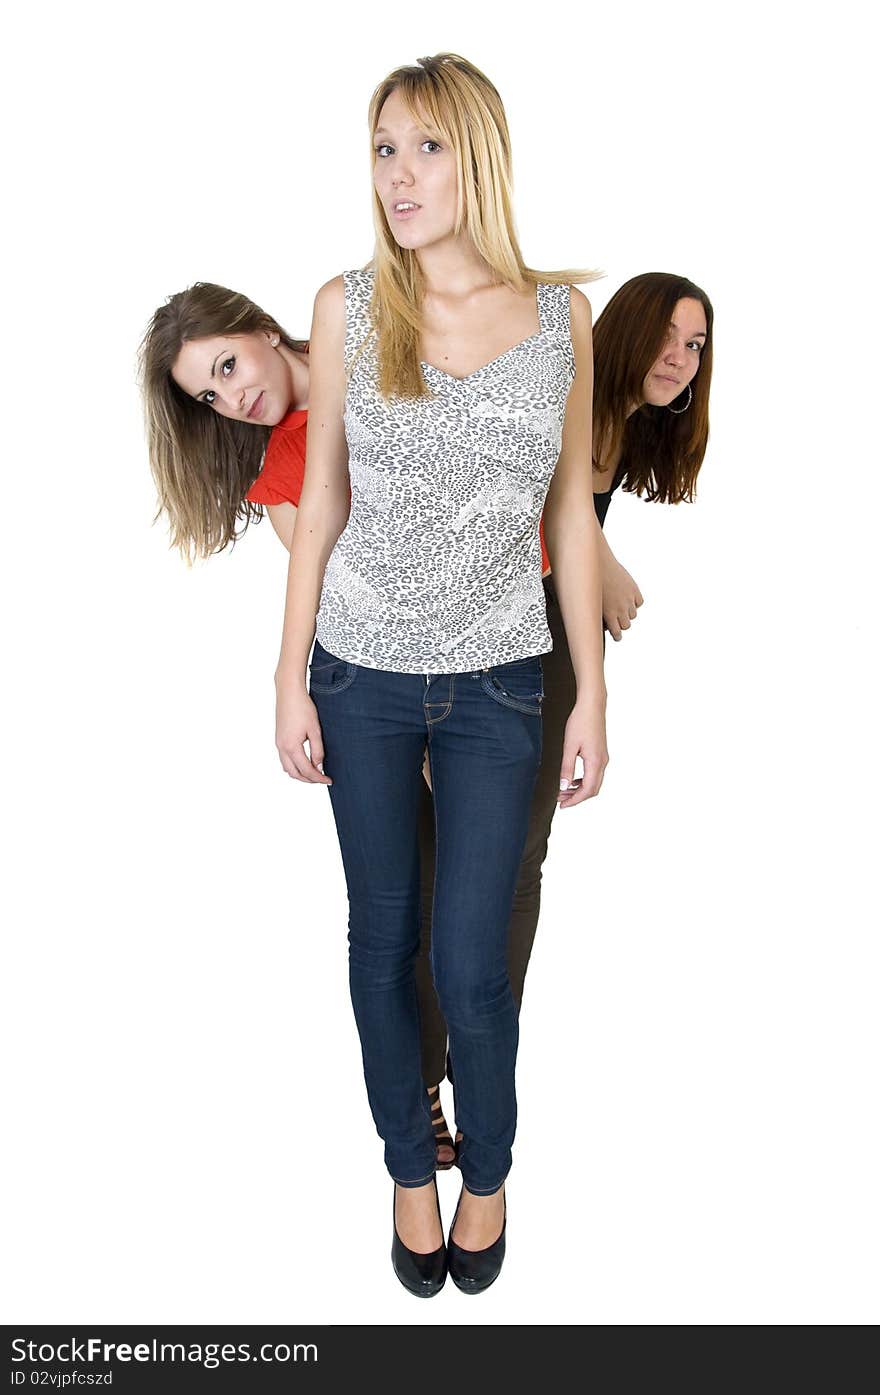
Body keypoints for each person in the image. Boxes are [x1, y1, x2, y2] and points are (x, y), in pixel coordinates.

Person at [273, 52, 608, 1297]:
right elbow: (320, 505)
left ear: (479, 155)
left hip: (501, 683)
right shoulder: (349, 305)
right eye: (382, 149)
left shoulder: (558, 318)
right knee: (383, 937)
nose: (398, 176)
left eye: (423, 147)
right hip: (358, 670)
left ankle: (490, 1171)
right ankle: (410, 1171)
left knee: (472, 961)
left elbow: (569, 515)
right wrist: (288, 673)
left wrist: (597, 696)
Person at [416, 271, 714, 1166]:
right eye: (667, 336)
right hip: (489, 637)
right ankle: (426, 1074)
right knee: (450, 867)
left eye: (696, 345)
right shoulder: (575, 399)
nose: (679, 358)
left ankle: (479, 1068)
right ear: (622, 330)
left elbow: (561, 513)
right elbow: (508, 496)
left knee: (517, 865)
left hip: (554, 642)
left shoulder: (621, 424)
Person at [139, 281, 310, 561]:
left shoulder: (357, 333)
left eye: (227, 367)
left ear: (266, 330)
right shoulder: (283, 489)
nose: (232, 402)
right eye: (210, 396)